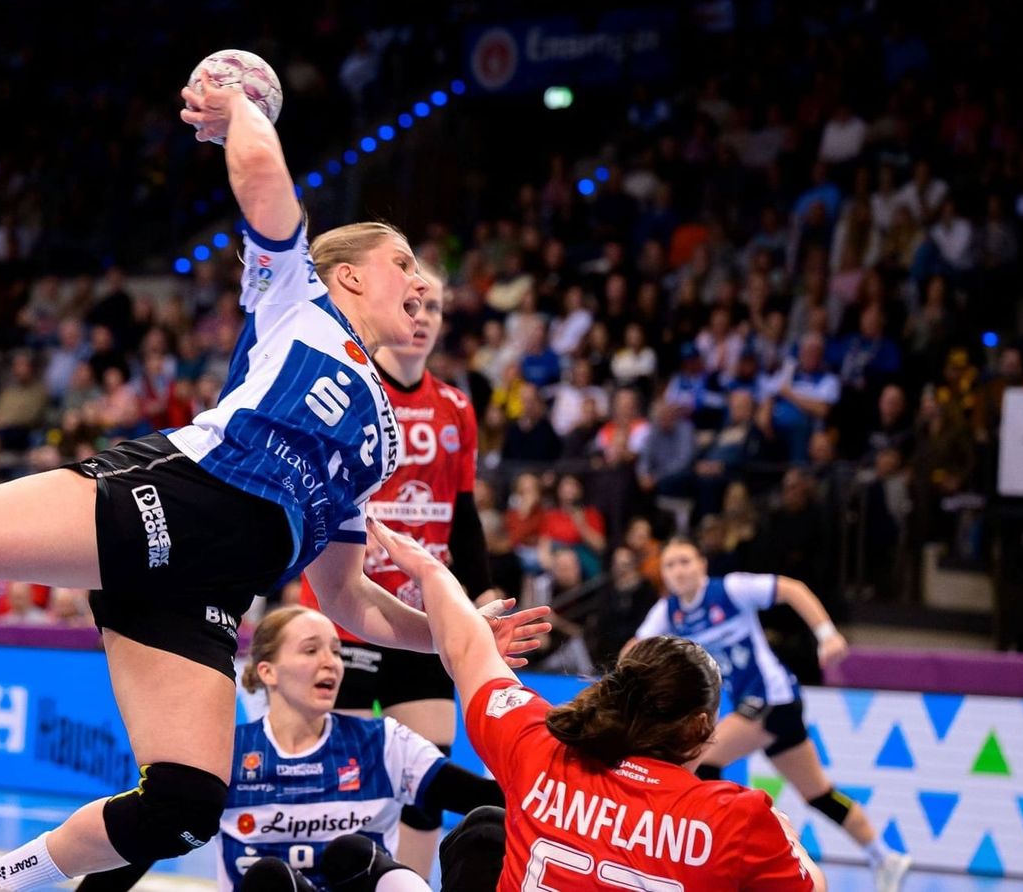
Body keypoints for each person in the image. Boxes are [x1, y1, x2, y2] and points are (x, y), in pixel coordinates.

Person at [0, 68, 516, 892]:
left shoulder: (382, 442)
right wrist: (239, 108)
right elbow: (263, 179)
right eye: (402, 264)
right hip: (167, 503)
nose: (420, 282)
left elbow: (350, 598)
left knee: (184, 806)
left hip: (213, 591)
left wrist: (456, 635)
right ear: (348, 275)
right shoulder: (299, 305)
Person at [368, 518, 827, 891]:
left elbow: (467, 649)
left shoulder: (540, 750)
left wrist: (430, 571)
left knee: (483, 832)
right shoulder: (741, 818)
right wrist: (790, 845)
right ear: (701, 727)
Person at [75, 606, 531, 891]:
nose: (330, 662)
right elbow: (149, 839)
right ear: (268, 672)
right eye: (311, 650)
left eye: (335, 650)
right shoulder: (226, 753)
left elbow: (486, 798)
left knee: (483, 827)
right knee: (270, 879)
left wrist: (476, 655)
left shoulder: (382, 742)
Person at [294, 269, 491, 877]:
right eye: (412, 303)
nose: (422, 317)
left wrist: (479, 596)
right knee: (342, 786)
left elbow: (464, 513)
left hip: (419, 617)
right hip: (348, 612)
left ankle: (409, 886)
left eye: (433, 306)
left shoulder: (457, 407)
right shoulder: (349, 388)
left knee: (428, 782)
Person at [630, 540, 911, 891]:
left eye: (685, 561)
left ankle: (711, 853)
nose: (678, 570)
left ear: (702, 565)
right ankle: (885, 857)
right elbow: (635, 648)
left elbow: (793, 590)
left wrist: (826, 635)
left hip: (773, 699)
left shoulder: (730, 589)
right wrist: (625, 687)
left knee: (698, 755)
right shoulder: (667, 611)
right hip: (760, 708)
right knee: (818, 794)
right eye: (670, 565)